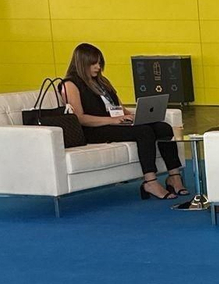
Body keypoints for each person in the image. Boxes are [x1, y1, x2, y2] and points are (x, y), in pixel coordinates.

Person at [61, 42, 188, 200]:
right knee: (144, 132)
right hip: (95, 129)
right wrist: (112, 120)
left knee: (163, 128)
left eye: (100, 63)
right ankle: (150, 181)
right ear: (82, 63)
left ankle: (174, 176)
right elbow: (79, 118)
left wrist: (134, 116)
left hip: (115, 123)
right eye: (94, 63)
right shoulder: (70, 84)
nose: (98, 67)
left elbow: (119, 107)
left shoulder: (102, 82)